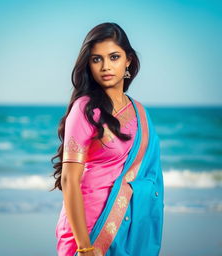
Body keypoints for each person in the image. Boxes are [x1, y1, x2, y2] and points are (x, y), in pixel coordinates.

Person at [50, 22, 164, 256]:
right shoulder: (84, 109)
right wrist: (84, 247)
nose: (105, 67)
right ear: (88, 64)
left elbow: (149, 175)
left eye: (114, 57)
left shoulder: (140, 113)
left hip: (129, 222)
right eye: (96, 59)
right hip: (87, 226)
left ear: (128, 60)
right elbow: (70, 181)